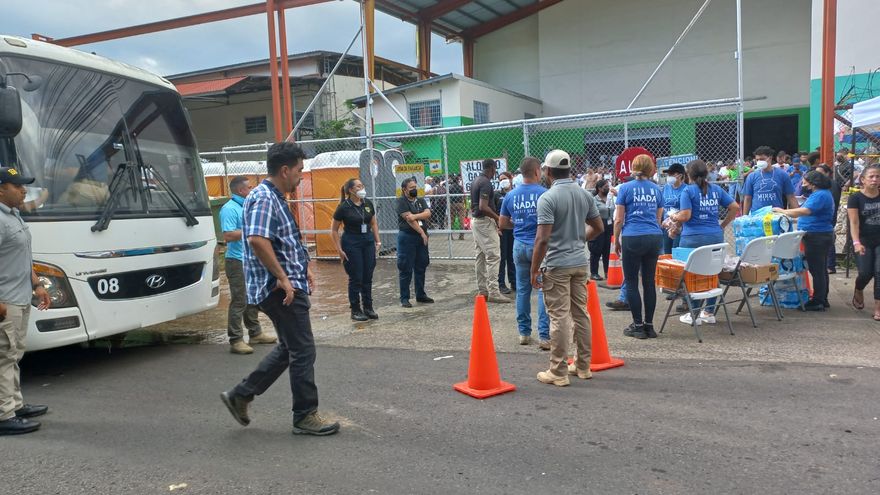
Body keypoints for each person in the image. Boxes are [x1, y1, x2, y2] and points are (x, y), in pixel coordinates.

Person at [220, 142, 339, 437]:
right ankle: (305, 415)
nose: (301, 176)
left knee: (290, 347)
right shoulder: (263, 198)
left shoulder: (274, 197)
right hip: (279, 290)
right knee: (303, 350)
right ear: (285, 170)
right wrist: (284, 278)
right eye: (299, 170)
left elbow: (284, 240)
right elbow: (258, 240)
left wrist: (303, 267)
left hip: (285, 284)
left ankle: (241, 394)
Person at [531, 150, 604, 386]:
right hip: (580, 262)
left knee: (559, 317)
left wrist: (534, 269)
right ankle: (582, 366)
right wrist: (580, 239)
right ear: (569, 169)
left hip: (557, 264)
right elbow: (598, 227)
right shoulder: (584, 194)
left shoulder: (548, 198)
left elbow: (542, 239)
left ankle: (558, 370)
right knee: (581, 314)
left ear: (548, 171)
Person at [0, 167, 51, 435]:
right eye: (17, 186)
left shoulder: (14, 215)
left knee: (14, 354)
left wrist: (37, 285)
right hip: (5, 302)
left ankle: (14, 405)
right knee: (3, 357)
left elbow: (23, 257)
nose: (23, 190)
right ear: (1, 189)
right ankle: (3, 415)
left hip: (19, 298)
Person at [668, 160, 740, 325]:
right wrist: (722, 225)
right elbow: (735, 207)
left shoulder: (688, 191)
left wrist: (674, 216)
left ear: (689, 174)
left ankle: (694, 313)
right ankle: (709, 312)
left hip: (693, 238)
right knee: (712, 272)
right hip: (715, 237)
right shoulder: (716, 189)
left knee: (693, 275)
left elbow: (685, 215)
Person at [221, 176, 276, 355]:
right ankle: (236, 339)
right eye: (249, 187)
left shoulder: (247, 205)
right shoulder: (229, 209)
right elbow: (228, 235)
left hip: (249, 259)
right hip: (236, 260)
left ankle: (255, 333)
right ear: (240, 190)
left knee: (252, 297)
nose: (252, 190)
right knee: (239, 300)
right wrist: (251, 230)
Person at [500, 157, 551, 349]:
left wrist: (518, 225)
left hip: (519, 245)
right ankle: (544, 335)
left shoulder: (511, 195)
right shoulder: (544, 194)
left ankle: (524, 332)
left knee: (522, 290)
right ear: (537, 172)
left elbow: (502, 223)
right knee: (543, 289)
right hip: (540, 245)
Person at [613, 154, 664, 339]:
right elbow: (658, 217)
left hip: (632, 235)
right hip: (653, 236)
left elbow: (619, 219)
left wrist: (617, 240)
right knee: (649, 282)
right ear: (650, 168)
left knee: (632, 281)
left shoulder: (625, 188)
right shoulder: (656, 189)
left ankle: (638, 325)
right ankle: (649, 326)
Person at [773, 170, 836, 311]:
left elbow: (804, 211)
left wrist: (782, 211)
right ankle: (822, 298)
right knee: (820, 269)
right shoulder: (821, 194)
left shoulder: (820, 195)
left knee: (817, 269)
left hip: (817, 236)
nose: (803, 183)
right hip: (819, 234)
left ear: (813, 182)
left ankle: (818, 301)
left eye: (805, 181)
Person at [331, 178, 380, 321]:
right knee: (356, 277)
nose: (362, 188)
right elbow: (334, 230)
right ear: (351, 190)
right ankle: (355, 310)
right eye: (358, 186)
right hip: (352, 243)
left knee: (367, 276)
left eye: (362, 185)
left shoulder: (367, 203)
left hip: (368, 242)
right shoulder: (343, 207)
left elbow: (373, 223)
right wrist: (339, 249)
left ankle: (368, 307)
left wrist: (378, 241)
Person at [471, 159, 510, 303]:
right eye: (495, 170)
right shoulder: (486, 183)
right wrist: (497, 218)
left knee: (480, 255)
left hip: (477, 221)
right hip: (485, 222)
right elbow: (483, 206)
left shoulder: (476, 181)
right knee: (493, 256)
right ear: (492, 168)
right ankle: (494, 291)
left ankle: (483, 290)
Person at [848, 164, 880, 320]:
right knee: (865, 273)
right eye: (871, 176)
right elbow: (854, 222)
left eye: (878, 177)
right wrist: (856, 243)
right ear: (863, 179)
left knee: (879, 272)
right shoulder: (855, 198)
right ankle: (858, 289)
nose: (875, 179)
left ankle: (878, 308)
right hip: (863, 240)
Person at [396, 178, 434, 308]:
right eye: (411, 188)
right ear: (404, 189)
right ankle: (404, 298)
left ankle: (420, 294)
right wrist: (422, 233)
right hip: (407, 238)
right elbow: (409, 220)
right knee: (405, 267)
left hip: (421, 240)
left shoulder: (420, 200)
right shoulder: (401, 201)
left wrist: (415, 216)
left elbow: (428, 213)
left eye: (415, 187)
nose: (414, 189)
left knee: (421, 265)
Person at [742, 146, 797, 214]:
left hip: (776, 215)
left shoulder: (782, 175)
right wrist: (745, 216)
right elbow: (747, 198)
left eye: (762, 159)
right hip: (757, 216)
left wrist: (798, 216)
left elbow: (791, 197)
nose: (759, 162)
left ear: (770, 158)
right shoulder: (752, 176)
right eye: (757, 160)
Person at [588, 179, 613, 280]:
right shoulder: (594, 200)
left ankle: (608, 272)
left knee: (607, 249)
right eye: (605, 187)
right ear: (599, 188)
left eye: (608, 186)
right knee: (596, 249)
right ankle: (594, 273)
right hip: (598, 225)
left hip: (609, 225)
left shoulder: (610, 198)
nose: (608, 188)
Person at [495, 172, 516, 294]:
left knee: (512, 257)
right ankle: (501, 284)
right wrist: (497, 227)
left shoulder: (515, 193)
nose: (503, 181)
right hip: (502, 230)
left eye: (505, 179)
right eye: (500, 180)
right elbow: (494, 211)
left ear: (510, 179)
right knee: (502, 257)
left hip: (513, 229)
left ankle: (514, 282)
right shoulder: (497, 195)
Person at [661, 163, 687, 255]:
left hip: (679, 227)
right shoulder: (666, 187)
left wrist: (676, 223)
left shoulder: (686, 189)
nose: (669, 176)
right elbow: (662, 206)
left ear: (680, 175)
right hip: (666, 225)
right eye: (668, 174)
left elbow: (686, 210)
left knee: (676, 254)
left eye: (671, 174)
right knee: (666, 254)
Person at [448, 175, 467, 240]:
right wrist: (465, 204)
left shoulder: (450, 187)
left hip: (452, 204)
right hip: (460, 203)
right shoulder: (461, 187)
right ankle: (461, 236)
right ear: (458, 180)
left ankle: (450, 236)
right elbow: (464, 196)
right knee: (461, 220)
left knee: (451, 220)